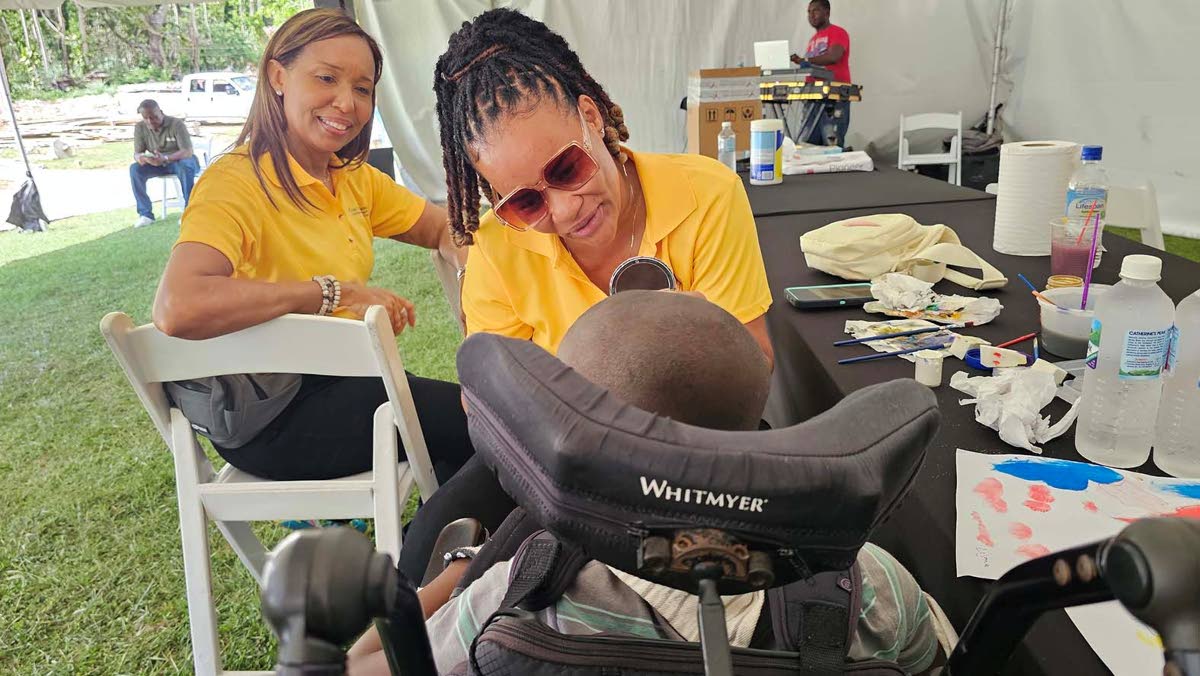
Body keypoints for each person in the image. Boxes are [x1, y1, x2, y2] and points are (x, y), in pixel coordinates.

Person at [348, 292, 950, 675]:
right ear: (755, 427)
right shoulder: (875, 588)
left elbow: (366, 667)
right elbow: (934, 664)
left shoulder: (521, 589)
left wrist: (461, 572)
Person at [393, 6, 777, 580]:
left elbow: (754, 363)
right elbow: (485, 404)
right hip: (553, 458)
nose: (564, 210)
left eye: (567, 167)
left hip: (695, 446)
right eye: (525, 201)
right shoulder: (499, 244)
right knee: (426, 546)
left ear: (592, 117)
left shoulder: (707, 193)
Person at [152, 9, 475, 490]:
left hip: (346, 383)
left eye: (363, 89)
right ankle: (440, 558)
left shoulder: (352, 179)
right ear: (278, 77)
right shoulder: (235, 182)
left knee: (471, 423)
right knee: (485, 430)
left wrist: (477, 279)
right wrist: (330, 294)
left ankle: (446, 546)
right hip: (272, 414)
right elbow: (178, 308)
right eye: (327, 78)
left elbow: (443, 229)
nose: (346, 102)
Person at [130, 99, 201, 227]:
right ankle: (145, 214)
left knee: (185, 166)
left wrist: (166, 158)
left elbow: (187, 151)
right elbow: (137, 153)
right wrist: (143, 158)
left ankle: (189, 211)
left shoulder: (176, 124)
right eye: (146, 118)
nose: (150, 121)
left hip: (179, 161)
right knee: (135, 169)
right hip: (157, 164)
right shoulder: (140, 127)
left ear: (161, 112)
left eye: (154, 117)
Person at [790, 0, 852, 147]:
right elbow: (812, 63)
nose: (811, 15)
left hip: (833, 95)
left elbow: (833, 56)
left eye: (815, 11)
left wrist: (805, 60)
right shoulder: (813, 39)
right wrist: (802, 62)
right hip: (813, 95)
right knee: (808, 144)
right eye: (809, 12)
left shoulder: (838, 32)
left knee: (831, 144)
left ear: (827, 13)